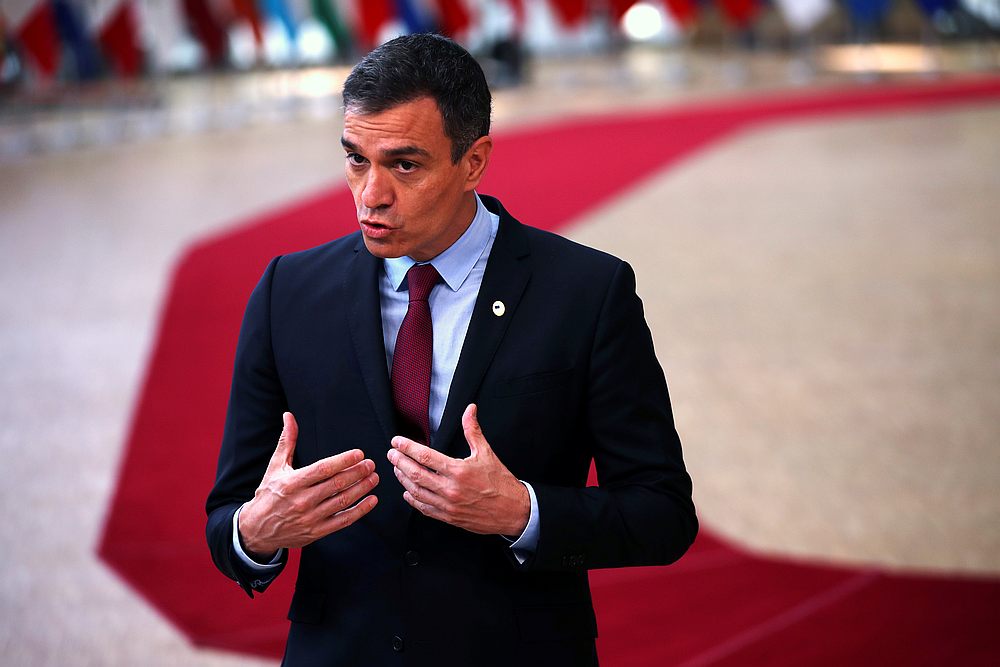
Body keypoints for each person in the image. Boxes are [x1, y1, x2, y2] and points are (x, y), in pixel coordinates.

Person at [206, 33, 697, 667]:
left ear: (474, 161)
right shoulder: (287, 293)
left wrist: (524, 511)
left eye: (404, 165)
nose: (370, 194)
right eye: (356, 159)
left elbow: (662, 513)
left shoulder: (587, 293)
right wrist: (256, 534)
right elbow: (227, 518)